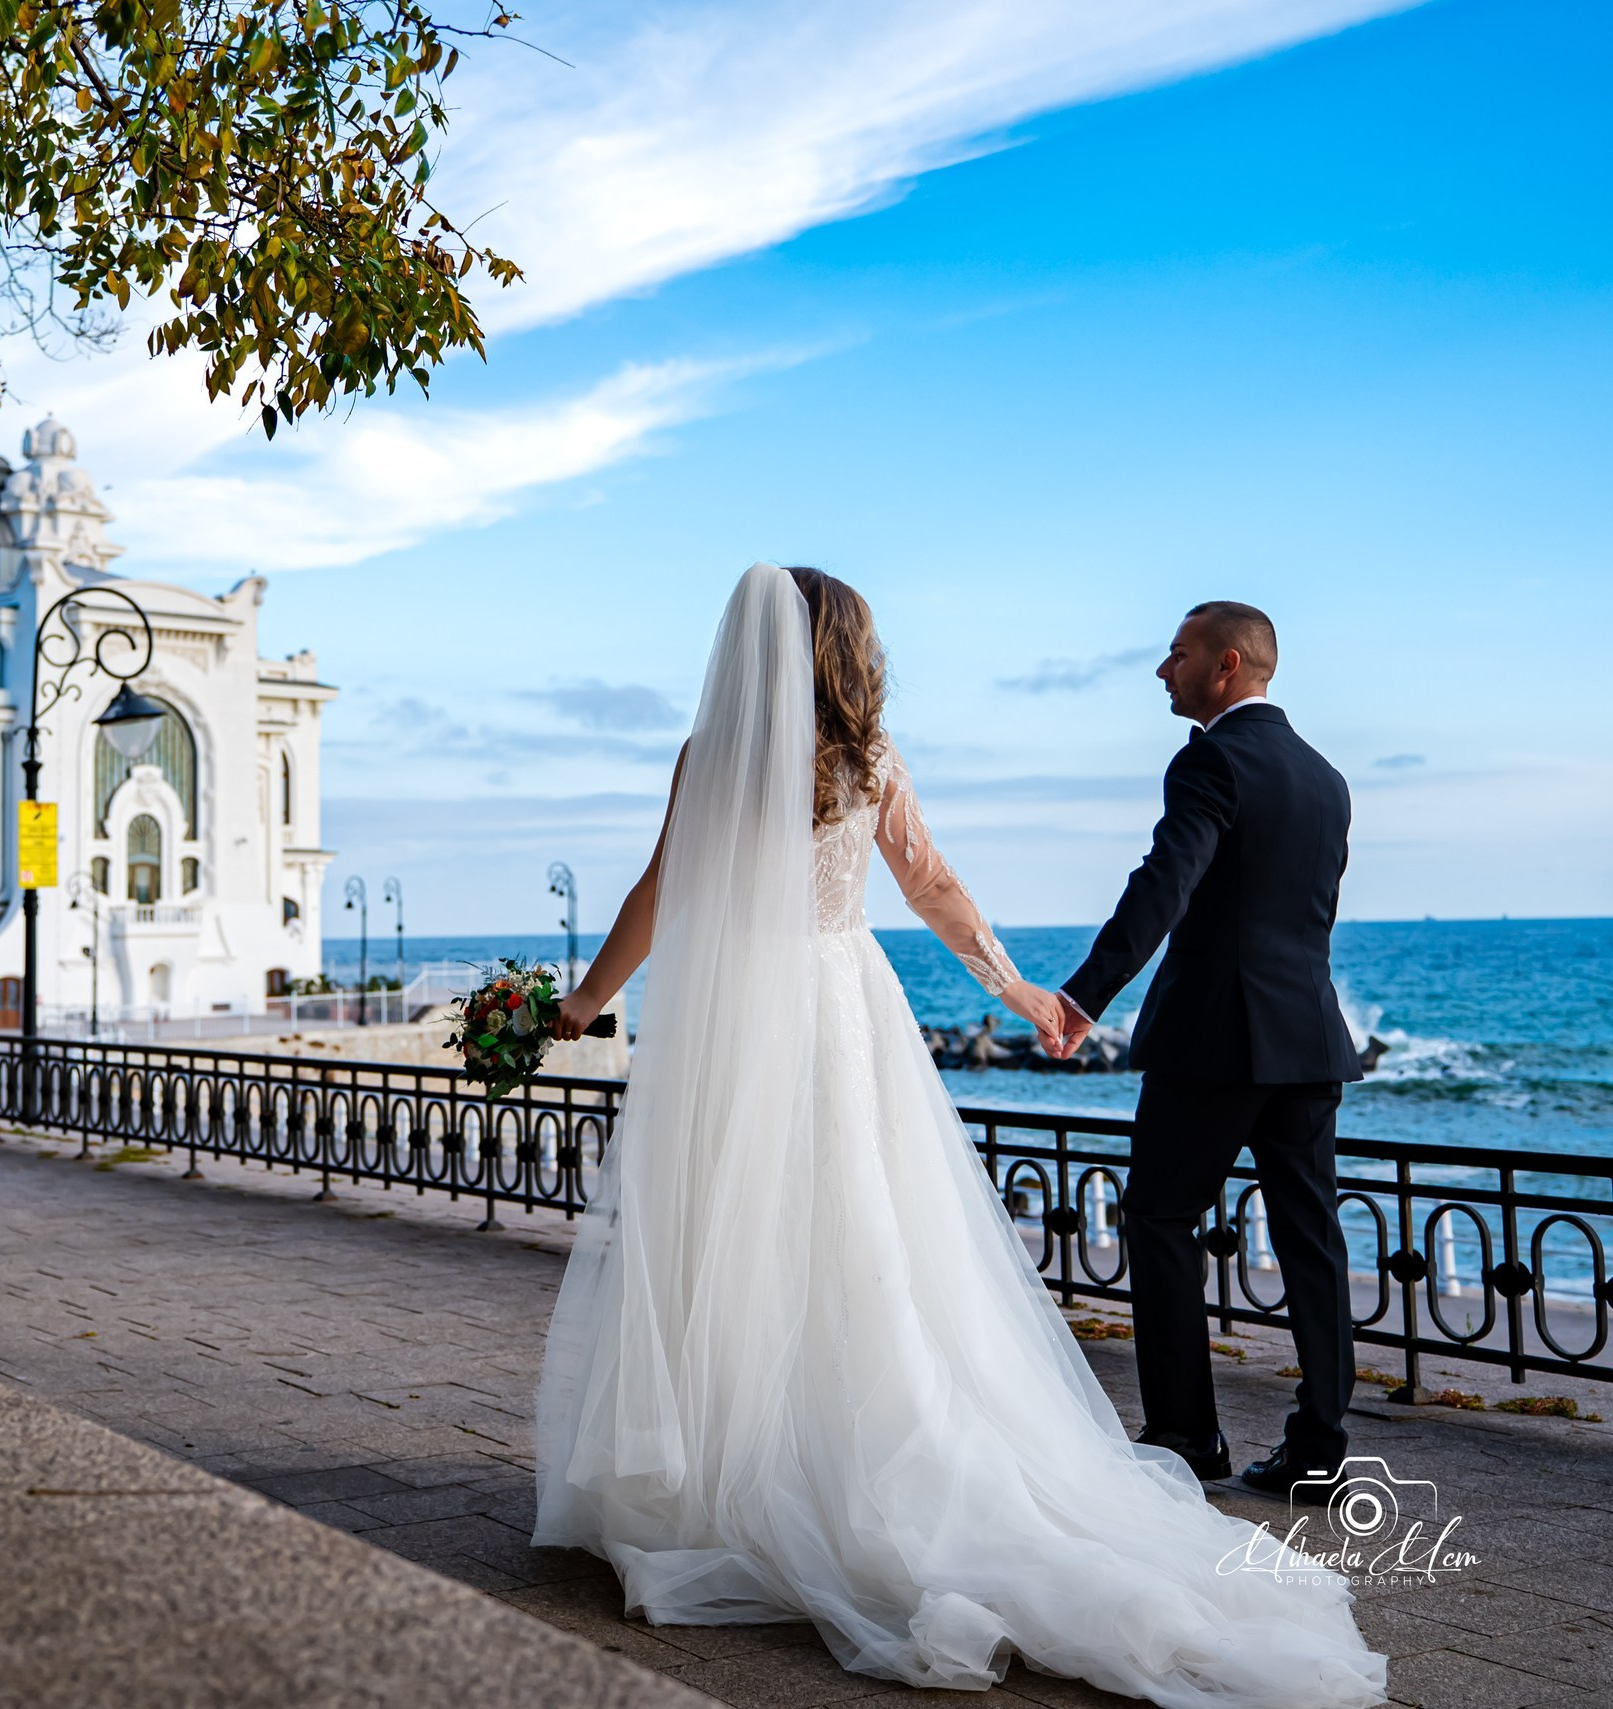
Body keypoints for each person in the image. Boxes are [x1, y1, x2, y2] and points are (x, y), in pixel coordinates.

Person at [537, 564, 1381, 1707]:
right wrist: (1023, 987)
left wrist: (586, 1003)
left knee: (735, 1225)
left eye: (1179, 651)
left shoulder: (711, 756)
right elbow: (930, 882)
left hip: (736, 1016)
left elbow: (657, 888)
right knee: (863, 1231)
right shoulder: (873, 757)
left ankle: (724, 1467)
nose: (1161, 666)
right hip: (853, 1007)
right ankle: (1302, 1435)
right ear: (847, 649)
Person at [1044, 603, 1361, 1500]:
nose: (1161, 670)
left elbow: (1164, 886)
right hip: (1309, 1039)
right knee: (1313, 1241)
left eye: (1175, 654)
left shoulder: (1210, 759)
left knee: (1157, 1218)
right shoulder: (1326, 777)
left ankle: (1186, 1434)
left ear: (1226, 665)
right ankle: (1321, 1449)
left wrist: (1083, 995)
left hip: (1215, 1042)